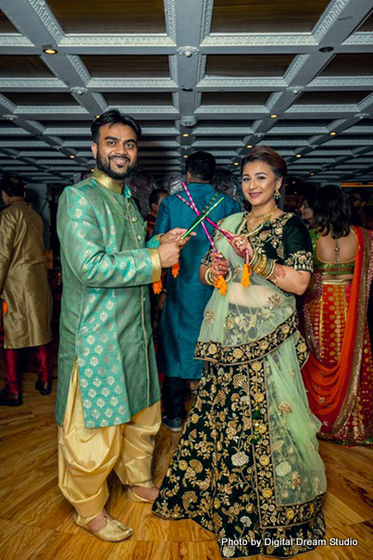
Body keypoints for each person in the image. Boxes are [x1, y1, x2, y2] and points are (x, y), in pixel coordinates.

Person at [153, 146, 326, 558]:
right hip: (228, 340)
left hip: (267, 343)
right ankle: (223, 502)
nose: (252, 186)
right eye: (246, 179)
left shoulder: (289, 227)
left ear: (279, 183)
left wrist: (260, 262)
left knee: (268, 422)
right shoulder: (230, 222)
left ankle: (270, 511)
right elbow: (206, 273)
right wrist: (213, 270)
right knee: (223, 418)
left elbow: (301, 284)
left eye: (261, 178)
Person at [56, 109, 190, 542]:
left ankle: (136, 480)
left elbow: (124, 256)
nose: (121, 151)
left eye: (129, 144)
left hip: (135, 332)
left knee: (142, 416)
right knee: (94, 428)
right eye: (112, 142)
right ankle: (88, 508)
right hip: (97, 338)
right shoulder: (78, 199)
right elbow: (90, 266)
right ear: (95, 148)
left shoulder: (129, 202)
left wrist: (158, 243)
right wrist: (154, 259)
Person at [154, 151, 241, 431]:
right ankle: (213, 412)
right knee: (216, 344)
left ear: (187, 175)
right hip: (218, 287)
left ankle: (175, 414)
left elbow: (158, 245)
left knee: (176, 347)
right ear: (213, 177)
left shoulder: (170, 204)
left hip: (181, 289)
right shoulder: (229, 204)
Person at [301, 185, 373, 444]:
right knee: (352, 359)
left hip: (320, 308)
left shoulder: (311, 238)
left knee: (320, 359)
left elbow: (304, 282)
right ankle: (352, 424)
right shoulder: (364, 237)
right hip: (351, 308)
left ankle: (321, 419)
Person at [0, 173, 52, 406]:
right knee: (41, 332)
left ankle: (12, 390)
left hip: (16, 283)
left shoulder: (7, 216)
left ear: (4, 194)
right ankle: (45, 381)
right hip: (38, 281)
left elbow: (2, 256)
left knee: (11, 336)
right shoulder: (35, 216)